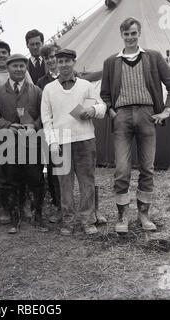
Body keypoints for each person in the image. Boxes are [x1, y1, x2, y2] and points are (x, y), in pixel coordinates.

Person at [101, 17, 170, 234]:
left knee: (147, 168)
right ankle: (122, 216)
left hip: (147, 115)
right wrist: (113, 112)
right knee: (122, 169)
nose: (130, 37)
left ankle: (144, 214)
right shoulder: (110, 62)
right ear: (121, 35)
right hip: (121, 116)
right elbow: (104, 94)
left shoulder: (152, 57)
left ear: (139, 33)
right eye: (126, 34)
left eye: (133, 33)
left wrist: (167, 110)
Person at [41, 49, 106, 236]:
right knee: (64, 184)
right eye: (60, 61)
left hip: (85, 141)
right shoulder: (49, 89)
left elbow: (102, 106)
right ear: (55, 63)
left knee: (87, 182)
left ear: (74, 62)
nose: (64, 65)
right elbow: (47, 120)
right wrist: (52, 143)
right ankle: (68, 221)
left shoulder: (85, 85)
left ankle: (87, 220)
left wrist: (93, 110)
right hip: (62, 143)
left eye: (67, 61)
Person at [0, 54, 47, 234]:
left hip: (31, 145)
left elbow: (45, 115)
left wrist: (34, 126)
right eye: (15, 66)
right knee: (12, 181)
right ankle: (15, 218)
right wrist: (7, 125)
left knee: (35, 180)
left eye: (22, 66)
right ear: (8, 69)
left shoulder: (36, 91)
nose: (19, 69)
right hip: (9, 145)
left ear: (26, 68)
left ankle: (38, 216)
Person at [0, 41, 33, 225]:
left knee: (24, 166)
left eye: (4, 52)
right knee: (2, 170)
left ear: (9, 55)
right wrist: (8, 121)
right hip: (0, 130)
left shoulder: (24, 73)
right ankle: (6, 207)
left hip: (24, 130)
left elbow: (31, 98)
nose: (1, 56)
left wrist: (24, 120)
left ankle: (23, 204)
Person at [37, 44, 62, 221]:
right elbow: (42, 109)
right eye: (47, 58)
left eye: (53, 56)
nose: (51, 60)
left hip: (70, 128)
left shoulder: (71, 76)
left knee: (75, 168)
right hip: (52, 130)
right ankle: (58, 204)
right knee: (54, 170)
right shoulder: (41, 82)